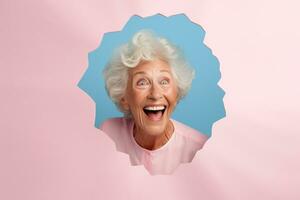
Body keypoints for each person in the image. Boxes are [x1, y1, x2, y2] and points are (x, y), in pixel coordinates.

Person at [100, 30, 208, 175]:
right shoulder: (108, 134)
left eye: (164, 81)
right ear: (124, 97)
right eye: (142, 82)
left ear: (176, 93)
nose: (156, 94)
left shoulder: (199, 149)